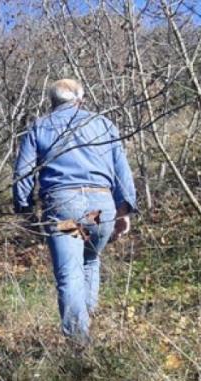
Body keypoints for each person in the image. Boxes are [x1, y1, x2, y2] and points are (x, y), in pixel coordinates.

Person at [13, 79, 137, 344]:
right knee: (89, 260)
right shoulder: (103, 124)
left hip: (65, 209)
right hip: (100, 207)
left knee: (70, 273)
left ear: (52, 101)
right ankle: (87, 326)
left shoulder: (40, 126)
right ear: (80, 100)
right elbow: (121, 170)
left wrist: (24, 210)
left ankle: (79, 345)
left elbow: (23, 172)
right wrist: (124, 210)